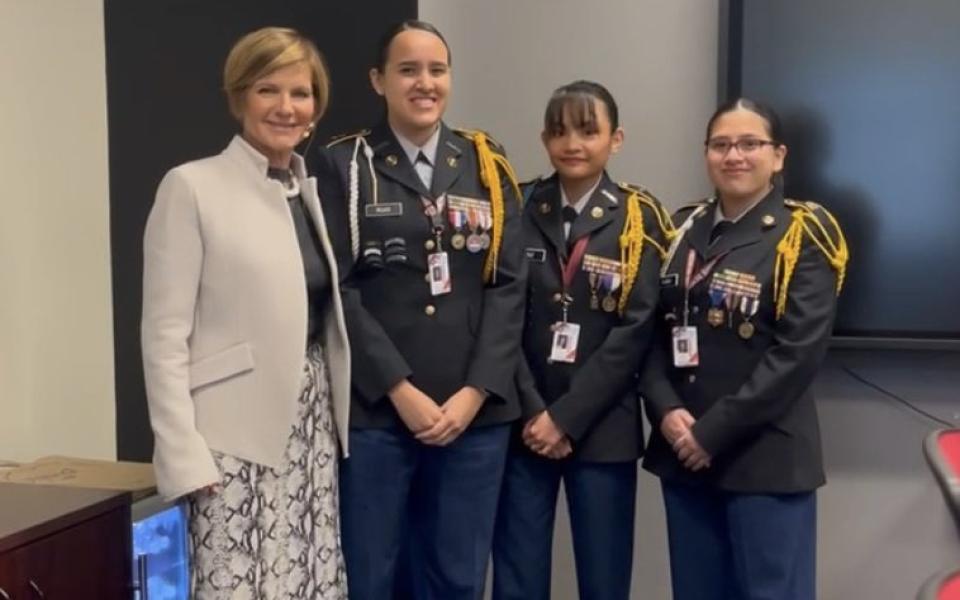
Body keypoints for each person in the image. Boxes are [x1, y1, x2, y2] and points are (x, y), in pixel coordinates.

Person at [310, 19, 525, 600]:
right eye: (408, 70)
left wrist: (476, 390)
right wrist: (399, 389)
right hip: (380, 412)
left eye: (436, 70)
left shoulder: (486, 162)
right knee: (373, 573)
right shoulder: (343, 165)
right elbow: (338, 287)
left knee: (457, 577)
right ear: (379, 80)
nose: (424, 83)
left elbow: (508, 286)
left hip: (471, 416)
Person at [141, 27, 350, 599]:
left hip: (310, 430)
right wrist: (182, 456)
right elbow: (163, 336)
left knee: (308, 583)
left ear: (316, 106)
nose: (286, 107)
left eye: (301, 93)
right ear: (240, 97)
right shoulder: (191, 186)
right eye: (268, 90)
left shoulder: (305, 188)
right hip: (228, 442)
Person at [640, 97, 849, 600]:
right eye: (721, 145)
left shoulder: (804, 234)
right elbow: (648, 334)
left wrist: (710, 433)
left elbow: (796, 355)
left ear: (778, 156)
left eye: (749, 144)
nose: (734, 156)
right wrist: (665, 409)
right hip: (685, 455)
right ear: (706, 154)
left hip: (764, 458)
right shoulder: (683, 228)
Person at [490, 80, 672, 600]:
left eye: (588, 130)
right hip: (524, 420)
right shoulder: (518, 208)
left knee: (605, 576)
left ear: (616, 139)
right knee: (517, 574)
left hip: (602, 426)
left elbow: (636, 329)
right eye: (560, 130)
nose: (573, 142)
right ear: (544, 139)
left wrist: (565, 419)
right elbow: (500, 316)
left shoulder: (641, 218)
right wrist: (535, 413)